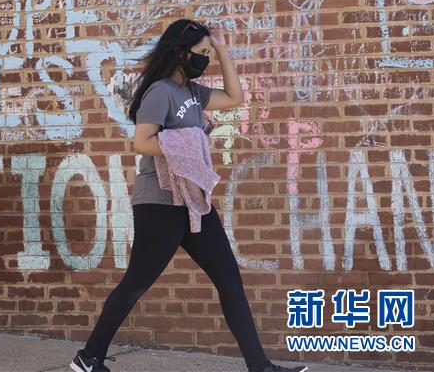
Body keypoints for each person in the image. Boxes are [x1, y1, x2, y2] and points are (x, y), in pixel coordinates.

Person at [71, 19, 307, 372]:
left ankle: (260, 367)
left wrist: (222, 48)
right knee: (136, 283)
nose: (205, 60)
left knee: (229, 278)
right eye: (201, 53)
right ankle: (88, 358)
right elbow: (141, 142)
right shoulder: (160, 92)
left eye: (208, 54)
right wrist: (187, 142)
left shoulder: (194, 93)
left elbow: (235, 97)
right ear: (180, 53)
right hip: (160, 203)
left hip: (193, 201)